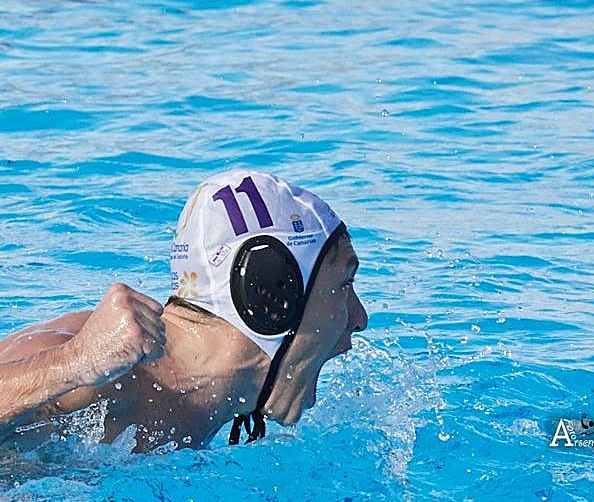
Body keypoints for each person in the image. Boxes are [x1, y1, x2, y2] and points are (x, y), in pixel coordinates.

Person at [0, 170, 368, 451]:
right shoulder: (105, 376)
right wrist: (74, 362)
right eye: (344, 284)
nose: (359, 318)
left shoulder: (201, 404)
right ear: (272, 294)